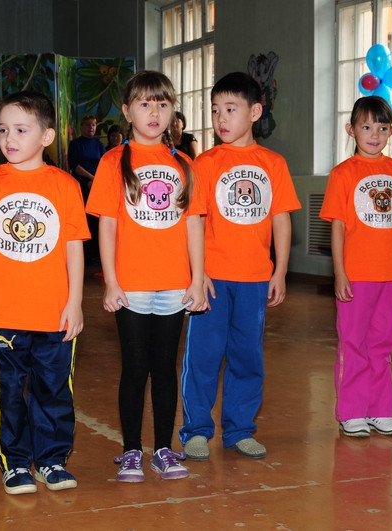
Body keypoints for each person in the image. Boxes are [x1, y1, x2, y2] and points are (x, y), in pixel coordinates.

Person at [0, 91, 89, 495]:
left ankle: (51, 460)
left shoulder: (65, 186)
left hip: (54, 314)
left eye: (21, 130)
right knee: (8, 392)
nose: (9, 139)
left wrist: (75, 302)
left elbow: (74, 248)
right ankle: (14, 463)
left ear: (46, 136)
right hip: (4, 313)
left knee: (54, 389)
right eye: (3, 130)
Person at [86, 70, 207, 483]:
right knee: (135, 369)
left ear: (172, 111)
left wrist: (197, 279)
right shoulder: (113, 162)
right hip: (132, 286)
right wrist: (111, 281)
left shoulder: (184, 164)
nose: (154, 113)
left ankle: (164, 450)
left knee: (165, 369)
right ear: (127, 111)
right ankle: (132, 451)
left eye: (162, 104)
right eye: (144, 104)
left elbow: (194, 225)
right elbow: (106, 226)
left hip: (174, 285)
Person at [179, 72, 301, 461]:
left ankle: (239, 429)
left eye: (231, 109)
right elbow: (194, 222)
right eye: (215, 110)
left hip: (254, 279)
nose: (221, 118)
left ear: (255, 112)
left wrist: (280, 270)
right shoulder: (205, 163)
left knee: (247, 357)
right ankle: (197, 430)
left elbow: (281, 220)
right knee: (203, 356)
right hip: (213, 280)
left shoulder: (273, 163)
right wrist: (198, 275)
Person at [320, 95, 392, 437]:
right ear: (351, 130)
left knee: (382, 344)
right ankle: (351, 412)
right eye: (366, 127)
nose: (374, 135)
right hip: (357, 276)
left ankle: (379, 410)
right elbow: (337, 227)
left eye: (381, 128)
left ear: (391, 131)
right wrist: (340, 273)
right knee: (353, 344)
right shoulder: (343, 174)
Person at [68, 115, 105, 265]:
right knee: (84, 220)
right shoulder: (75, 144)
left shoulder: (99, 145)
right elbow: (74, 165)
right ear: (82, 127)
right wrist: (91, 178)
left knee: (97, 220)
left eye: (93, 125)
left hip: (97, 187)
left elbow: (104, 165)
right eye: (88, 125)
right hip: (82, 186)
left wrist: (96, 181)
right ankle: (85, 255)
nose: (91, 128)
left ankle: (97, 254)